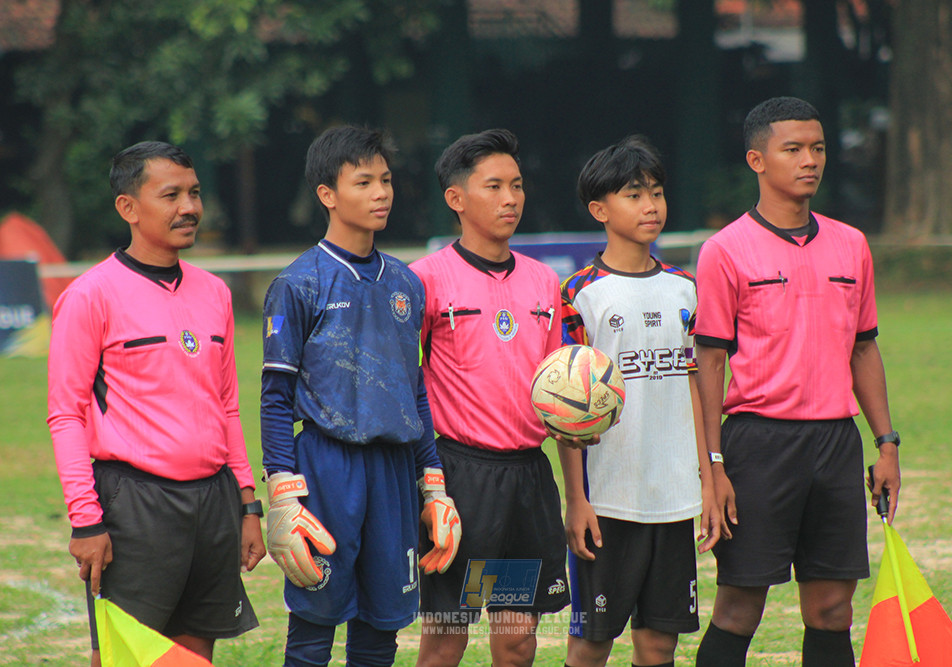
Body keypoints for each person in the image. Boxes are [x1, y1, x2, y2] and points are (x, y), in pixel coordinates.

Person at [693, 96, 902, 666]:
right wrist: (714, 466)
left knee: (833, 609)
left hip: (837, 443)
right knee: (739, 607)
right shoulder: (724, 251)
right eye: (793, 149)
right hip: (759, 444)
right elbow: (709, 364)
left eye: (818, 148)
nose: (809, 160)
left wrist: (887, 444)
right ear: (757, 160)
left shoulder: (850, 244)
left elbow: (864, 347)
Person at [47, 141, 264, 666]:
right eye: (171, 195)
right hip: (134, 504)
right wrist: (87, 520)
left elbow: (227, 406)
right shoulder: (90, 295)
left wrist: (247, 503)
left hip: (213, 504)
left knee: (194, 654)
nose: (189, 207)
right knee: (125, 655)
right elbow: (65, 414)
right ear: (129, 207)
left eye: (193, 193)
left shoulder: (214, 292)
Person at [259, 125, 461, 667]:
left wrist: (433, 482)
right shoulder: (298, 283)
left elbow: (412, 387)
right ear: (327, 194)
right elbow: (275, 396)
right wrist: (281, 487)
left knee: (381, 629)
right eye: (364, 181)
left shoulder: (406, 283)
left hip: (394, 473)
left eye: (387, 180)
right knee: (314, 628)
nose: (382, 193)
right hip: (327, 468)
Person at [558, 136, 722, 667]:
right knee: (590, 644)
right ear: (600, 209)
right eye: (634, 194)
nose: (650, 205)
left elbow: (697, 391)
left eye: (656, 192)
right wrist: (577, 499)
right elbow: (567, 410)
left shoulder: (686, 289)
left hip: (673, 497)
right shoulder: (579, 294)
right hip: (607, 500)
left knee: (659, 644)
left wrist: (709, 478)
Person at [410, 128, 570, 667]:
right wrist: (427, 484)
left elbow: (562, 397)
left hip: (526, 479)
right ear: (456, 198)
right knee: (446, 640)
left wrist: (579, 495)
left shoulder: (545, 282)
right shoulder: (425, 280)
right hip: (462, 480)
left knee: (516, 641)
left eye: (517, 185)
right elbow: (402, 386)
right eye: (494, 186)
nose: (510, 199)